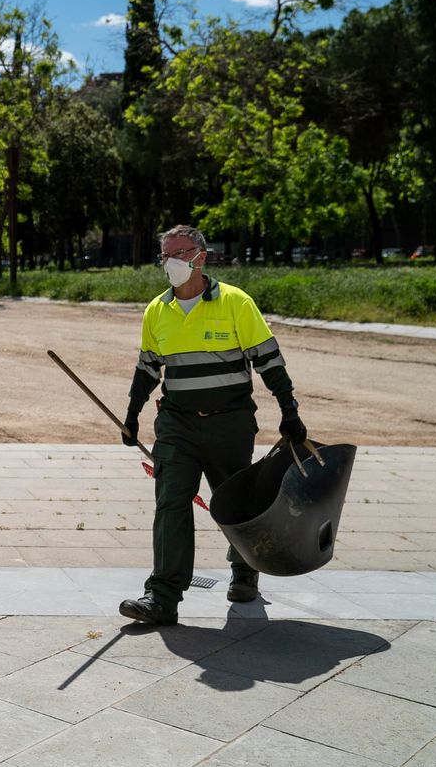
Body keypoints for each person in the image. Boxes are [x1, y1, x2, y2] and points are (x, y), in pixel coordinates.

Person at [118, 225, 308, 626]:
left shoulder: (236, 303)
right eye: (164, 255)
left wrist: (289, 411)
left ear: (200, 257)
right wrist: (132, 413)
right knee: (171, 500)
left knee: (235, 501)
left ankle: (243, 573)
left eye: (177, 253)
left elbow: (270, 361)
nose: (168, 262)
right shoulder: (157, 310)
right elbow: (148, 366)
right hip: (177, 425)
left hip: (230, 424)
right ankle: (163, 596)